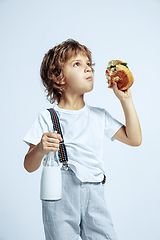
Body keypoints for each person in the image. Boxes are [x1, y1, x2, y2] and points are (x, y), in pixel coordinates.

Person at [23, 39, 142, 240]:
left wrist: (126, 100)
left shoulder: (99, 116)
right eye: (77, 64)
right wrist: (41, 149)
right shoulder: (47, 117)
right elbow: (28, 165)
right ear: (58, 77)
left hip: (95, 194)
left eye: (89, 64)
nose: (88, 69)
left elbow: (135, 139)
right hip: (59, 196)